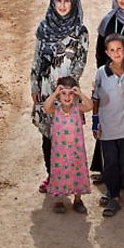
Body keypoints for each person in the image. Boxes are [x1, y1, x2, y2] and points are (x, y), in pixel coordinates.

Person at [31, 0, 89, 195]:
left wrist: (67, 88)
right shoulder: (44, 28)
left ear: (73, 4)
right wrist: (34, 84)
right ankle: (52, 176)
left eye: (67, 2)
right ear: (53, 2)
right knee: (48, 135)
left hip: (67, 93)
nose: (63, 6)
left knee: (68, 137)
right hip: (46, 89)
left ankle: (71, 182)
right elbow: (37, 58)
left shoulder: (79, 31)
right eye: (59, 1)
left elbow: (80, 62)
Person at [89, 0, 124, 180]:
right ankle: (107, 170)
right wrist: (103, 75)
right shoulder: (108, 21)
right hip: (112, 77)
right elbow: (100, 52)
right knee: (108, 122)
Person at [92, 33, 124, 217]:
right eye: (112, 50)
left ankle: (115, 190)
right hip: (107, 129)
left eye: (119, 49)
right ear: (106, 53)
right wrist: (95, 122)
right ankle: (114, 197)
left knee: (123, 161)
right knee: (110, 163)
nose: (116, 53)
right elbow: (95, 98)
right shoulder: (101, 73)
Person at [43, 75, 93, 213]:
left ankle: (78, 199)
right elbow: (46, 107)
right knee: (60, 173)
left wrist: (80, 93)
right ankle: (59, 199)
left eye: (71, 93)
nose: (67, 97)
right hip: (60, 152)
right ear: (59, 95)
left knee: (77, 172)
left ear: (75, 94)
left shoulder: (77, 108)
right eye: (63, 93)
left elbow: (90, 106)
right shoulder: (56, 109)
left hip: (76, 151)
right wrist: (55, 93)